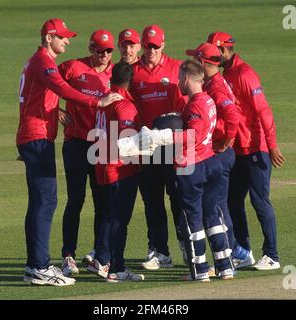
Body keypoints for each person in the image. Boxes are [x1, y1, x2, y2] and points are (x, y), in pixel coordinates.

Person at [17, 18, 121, 286]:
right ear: (49, 37)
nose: (67, 40)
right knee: (46, 201)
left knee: (41, 201)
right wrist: (97, 101)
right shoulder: (44, 61)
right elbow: (62, 88)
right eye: (62, 37)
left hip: (36, 136)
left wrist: (56, 113)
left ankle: (34, 266)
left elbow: (41, 97)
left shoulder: (41, 61)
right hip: (36, 136)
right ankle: (40, 266)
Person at [118, 60, 235, 281]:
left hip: (193, 167)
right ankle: (224, 266)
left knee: (192, 222)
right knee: (213, 217)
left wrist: (160, 137)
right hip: (211, 162)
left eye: (180, 79)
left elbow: (194, 136)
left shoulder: (195, 104)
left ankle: (199, 272)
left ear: (187, 78)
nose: (178, 83)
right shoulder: (208, 100)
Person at [207, 32, 285, 270]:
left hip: (256, 147)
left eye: (213, 52)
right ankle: (244, 251)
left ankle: (272, 255)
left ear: (223, 50)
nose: (210, 57)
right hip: (238, 148)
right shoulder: (226, 74)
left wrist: (271, 145)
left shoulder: (244, 74)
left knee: (260, 200)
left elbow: (264, 110)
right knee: (233, 200)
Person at [185, 43, 252, 273]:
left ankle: (233, 255)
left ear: (203, 63)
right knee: (216, 209)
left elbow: (233, 114)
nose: (193, 63)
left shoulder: (215, 86)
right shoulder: (213, 82)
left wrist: (227, 140)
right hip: (215, 151)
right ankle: (231, 257)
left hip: (219, 153)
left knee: (216, 210)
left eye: (196, 59)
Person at [57, 29, 116, 276]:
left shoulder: (118, 73)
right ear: (91, 49)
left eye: (108, 50)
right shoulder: (72, 67)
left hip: (102, 146)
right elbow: (45, 85)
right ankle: (68, 255)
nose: (104, 55)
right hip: (76, 143)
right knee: (76, 200)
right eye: (99, 50)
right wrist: (55, 111)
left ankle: (99, 256)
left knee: (103, 202)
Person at [130, 25, 188, 270]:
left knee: (178, 197)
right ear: (142, 45)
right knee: (152, 200)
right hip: (146, 146)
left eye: (156, 46)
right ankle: (159, 251)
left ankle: (187, 244)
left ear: (163, 45)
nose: (151, 50)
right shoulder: (133, 72)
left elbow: (189, 105)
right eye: (148, 46)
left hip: (173, 145)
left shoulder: (177, 68)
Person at [86, 62, 145, 282]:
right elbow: (125, 142)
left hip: (102, 165)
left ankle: (101, 260)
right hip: (120, 170)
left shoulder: (104, 101)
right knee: (119, 220)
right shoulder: (124, 106)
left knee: (108, 216)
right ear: (130, 81)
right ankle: (116, 267)